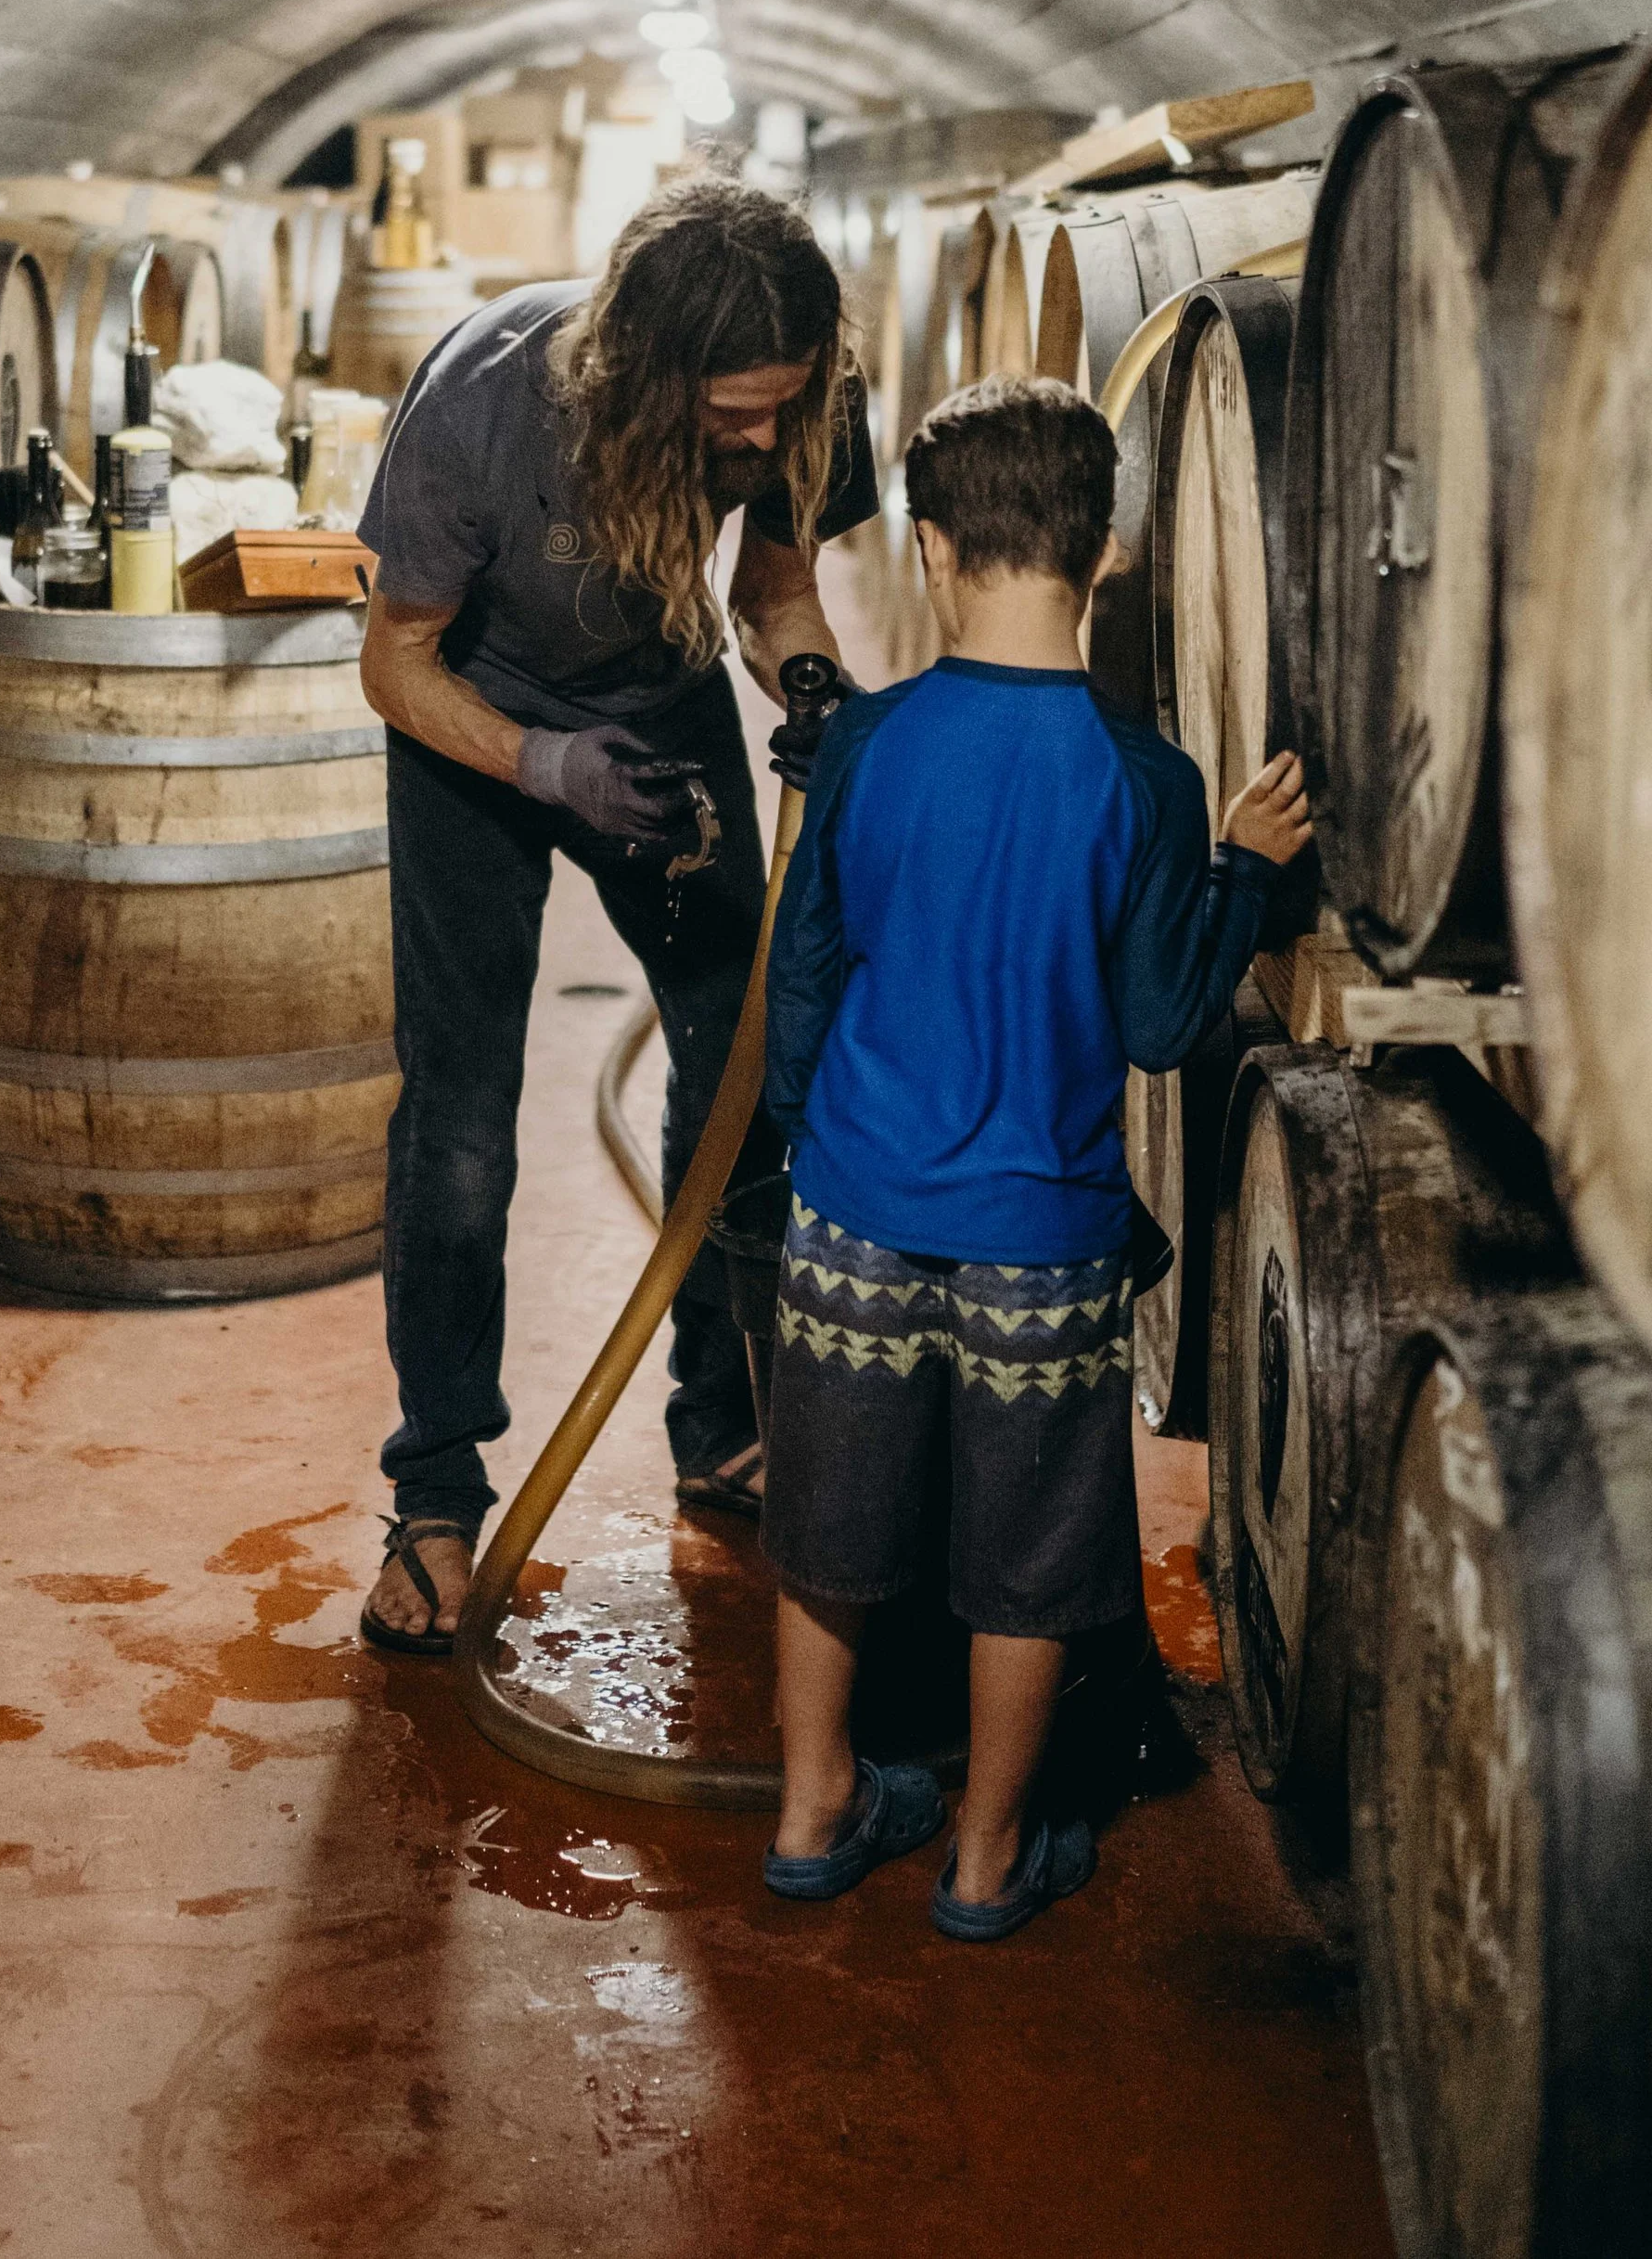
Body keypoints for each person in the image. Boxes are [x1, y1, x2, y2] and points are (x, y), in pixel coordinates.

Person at [755, 375, 1313, 1938]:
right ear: (1108, 552)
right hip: (1043, 1241)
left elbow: (802, 985)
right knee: (1029, 1558)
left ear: (931, 548)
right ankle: (988, 1859)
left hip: (855, 1207)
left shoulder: (867, 743)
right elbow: (1161, 1021)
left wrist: (816, 1145)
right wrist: (1243, 874)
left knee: (830, 1528)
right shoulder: (1147, 783)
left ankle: (812, 1809)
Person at [352, 174, 879, 1657]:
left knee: (741, 1053)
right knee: (461, 1116)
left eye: (785, 406)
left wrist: (810, 680)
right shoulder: (484, 403)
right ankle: (435, 1493)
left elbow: (775, 585)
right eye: (732, 414)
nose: (762, 440)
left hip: (659, 706)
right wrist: (544, 765)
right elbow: (394, 664)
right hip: (472, 728)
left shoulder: (808, 396)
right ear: (646, 375)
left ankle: (721, 1419)